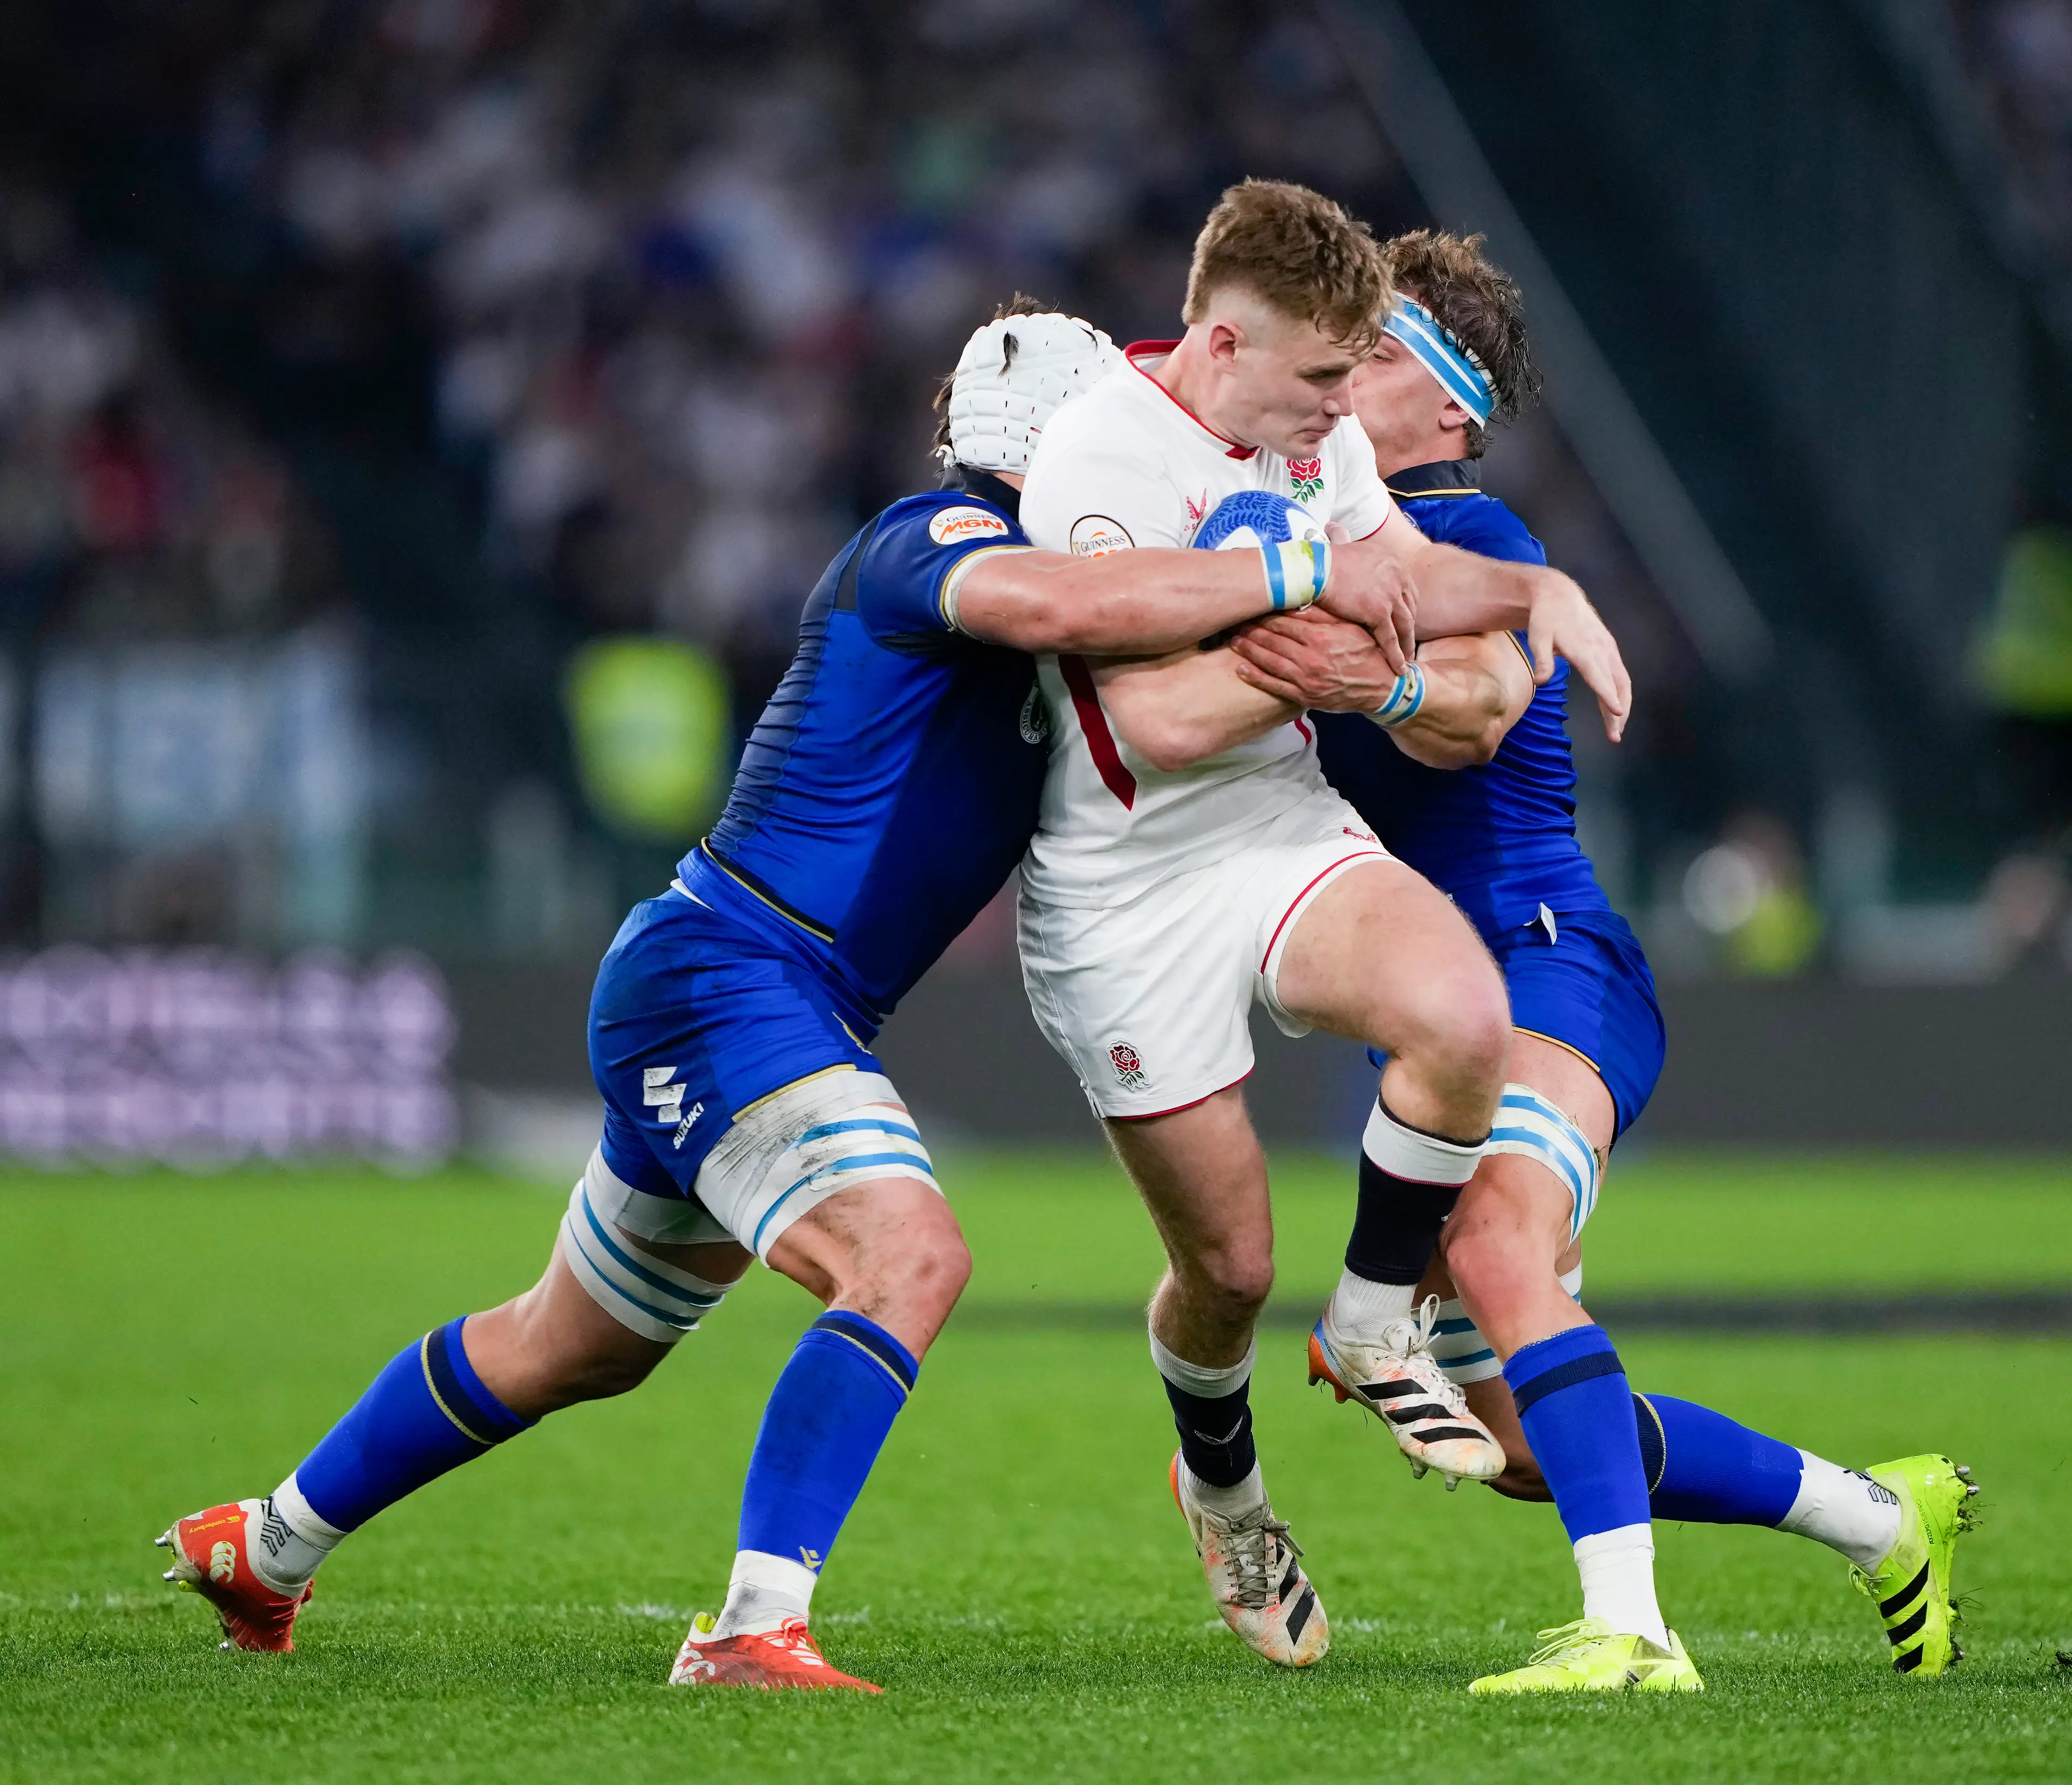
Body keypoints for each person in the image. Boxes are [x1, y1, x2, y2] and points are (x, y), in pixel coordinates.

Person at [154, 301, 1430, 1692]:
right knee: (910, 1256)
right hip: (733, 973)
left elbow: (1154, 688)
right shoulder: (936, 542)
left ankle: (264, 1544)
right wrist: (1300, 560)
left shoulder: (1095, 614)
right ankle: (756, 1626)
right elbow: (1069, 603)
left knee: (570, 1344)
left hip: (752, 991)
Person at [1230, 229, 1979, 1692]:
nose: (1332, 373)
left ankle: (1631, 1634)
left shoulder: (1476, 539)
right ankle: (1883, 1519)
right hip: (1437, 1005)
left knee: (1498, 1246)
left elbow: (1472, 709)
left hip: (1540, 959)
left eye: (1372, 353)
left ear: (1447, 413)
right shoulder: (1312, 521)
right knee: (1522, 1448)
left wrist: (1354, 670)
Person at [1013, 181, 1634, 1671]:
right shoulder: (1098, 456)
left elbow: (1410, 577)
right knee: (1226, 1268)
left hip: (1278, 827)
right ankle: (1225, 1489)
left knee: (1463, 1018)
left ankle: (1369, 1324)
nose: (1339, 413)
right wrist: (1312, 619)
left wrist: (1538, 585)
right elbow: (1154, 715)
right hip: (1127, 885)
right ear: (1222, 345)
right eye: (1315, 382)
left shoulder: (1322, 428)